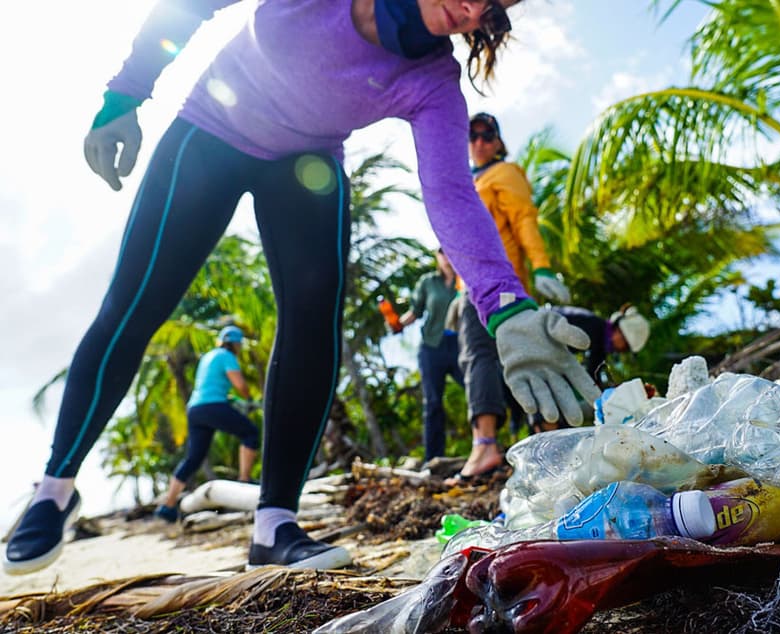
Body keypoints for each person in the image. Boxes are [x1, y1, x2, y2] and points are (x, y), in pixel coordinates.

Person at [4, 0, 599, 575]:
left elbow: (449, 193)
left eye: (495, 6)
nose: (474, 13)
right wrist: (125, 94)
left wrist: (508, 307)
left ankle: (274, 524)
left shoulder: (432, 77)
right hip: (210, 131)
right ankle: (55, 489)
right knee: (136, 304)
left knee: (314, 322)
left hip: (305, 164)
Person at [449, 112, 572, 483]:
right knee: (496, 363)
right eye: (473, 136)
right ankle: (528, 442)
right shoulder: (468, 182)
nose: (480, 143)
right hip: (472, 287)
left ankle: (493, 443)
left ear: (499, 142)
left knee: (491, 357)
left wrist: (542, 267)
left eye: (488, 136)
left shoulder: (504, 174)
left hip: (499, 286)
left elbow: (523, 220)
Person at [154, 326, 260, 523]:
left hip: (195, 409)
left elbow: (209, 385)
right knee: (250, 433)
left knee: (194, 458)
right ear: (235, 344)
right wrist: (249, 400)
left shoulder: (208, 356)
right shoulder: (227, 355)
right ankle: (245, 479)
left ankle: (167, 505)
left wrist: (228, 399)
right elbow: (240, 384)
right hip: (212, 405)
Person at [528, 304, 651, 432]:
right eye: (625, 347)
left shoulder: (599, 341)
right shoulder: (592, 327)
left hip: (540, 352)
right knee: (546, 409)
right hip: (532, 338)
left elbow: (591, 377)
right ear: (620, 334)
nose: (621, 351)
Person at [399, 248, 464, 462]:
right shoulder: (428, 282)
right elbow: (415, 311)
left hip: (460, 346)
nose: (447, 255)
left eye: (449, 249)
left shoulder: (464, 280)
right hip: (432, 347)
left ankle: (485, 445)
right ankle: (433, 458)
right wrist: (397, 324)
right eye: (442, 252)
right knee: (433, 402)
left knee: (478, 391)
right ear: (437, 257)